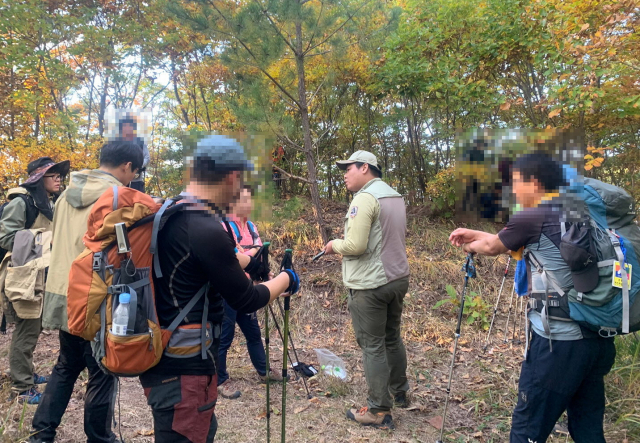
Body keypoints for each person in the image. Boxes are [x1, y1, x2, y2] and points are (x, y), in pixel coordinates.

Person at [140, 135, 299, 443]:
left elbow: (205, 262)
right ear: (231, 176)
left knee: (200, 430)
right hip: (183, 366)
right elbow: (247, 298)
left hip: (166, 355)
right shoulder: (205, 225)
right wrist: (286, 279)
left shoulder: (174, 211)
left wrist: (248, 262)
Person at [449, 152, 616, 443]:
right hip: (597, 336)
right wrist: (475, 234)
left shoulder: (534, 215)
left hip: (558, 344)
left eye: (516, 182)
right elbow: (507, 240)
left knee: (528, 428)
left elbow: (491, 246)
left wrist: (468, 244)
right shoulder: (575, 210)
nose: (513, 190)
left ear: (534, 182)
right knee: (588, 427)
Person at [29, 141, 143, 443]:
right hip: (95, 295)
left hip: (63, 291)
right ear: (127, 167)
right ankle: (100, 437)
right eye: (135, 171)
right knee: (102, 370)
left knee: (66, 366)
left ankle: (41, 433)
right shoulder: (117, 196)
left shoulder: (66, 194)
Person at [322, 150, 410, 430]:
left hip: (370, 285)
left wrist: (333, 244)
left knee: (373, 345)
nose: (345, 174)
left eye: (348, 168)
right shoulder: (394, 196)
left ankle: (378, 410)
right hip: (397, 278)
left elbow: (355, 246)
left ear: (365, 167)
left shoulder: (364, 198)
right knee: (392, 338)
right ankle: (400, 392)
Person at [0, 157, 69, 404]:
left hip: (37, 277)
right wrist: (46, 240)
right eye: (53, 175)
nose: (58, 178)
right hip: (21, 277)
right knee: (26, 331)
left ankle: (25, 373)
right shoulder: (21, 202)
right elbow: (6, 238)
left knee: (34, 327)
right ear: (39, 179)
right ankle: (21, 388)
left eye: (59, 174)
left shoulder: (47, 203)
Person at [217, 185, 284, 400]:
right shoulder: (224, 226)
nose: (248, 204)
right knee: (224, 337)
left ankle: (264, 372)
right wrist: (254, 251)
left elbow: (258, 255)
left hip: (248, 288)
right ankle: (220, 381)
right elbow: (233, 255)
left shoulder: (251, 226)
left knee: (253, 333)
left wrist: (264, 272)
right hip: (226, 290)